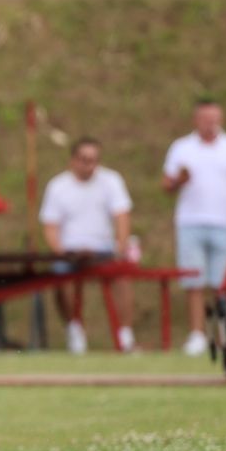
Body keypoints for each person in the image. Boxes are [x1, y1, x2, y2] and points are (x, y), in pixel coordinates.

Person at [162, 99, 226, 357]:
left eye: (214, 119)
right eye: (205, 119)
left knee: (222, 283)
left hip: (222, 223)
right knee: (193, 281)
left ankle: (223, 333)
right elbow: (167, 185)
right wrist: (180, 180)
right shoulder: (182, 148)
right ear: (195, 120)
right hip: (190, 222)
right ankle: (197, 334)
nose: (210, 124)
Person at [39, 138, 135, 354]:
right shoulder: (58, 186)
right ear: (73, 161)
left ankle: (125, 333)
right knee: (62, 277)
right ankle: (74, 329)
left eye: (93, 161)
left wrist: (120, 247)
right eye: (84, 160)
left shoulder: (111, 180)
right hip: (71, 252)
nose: (89, 166)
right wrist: (61, 252)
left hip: (104, 250)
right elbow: (51, 226)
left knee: (122, 276)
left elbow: (121, 216)